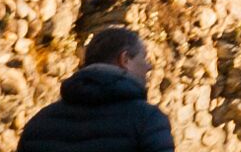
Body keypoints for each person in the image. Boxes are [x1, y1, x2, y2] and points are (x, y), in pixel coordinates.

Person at [14, 29, 171, 152]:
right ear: (125, 59)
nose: (148, 66)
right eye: (144, 58)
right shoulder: (147, 120)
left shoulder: (39, 123)